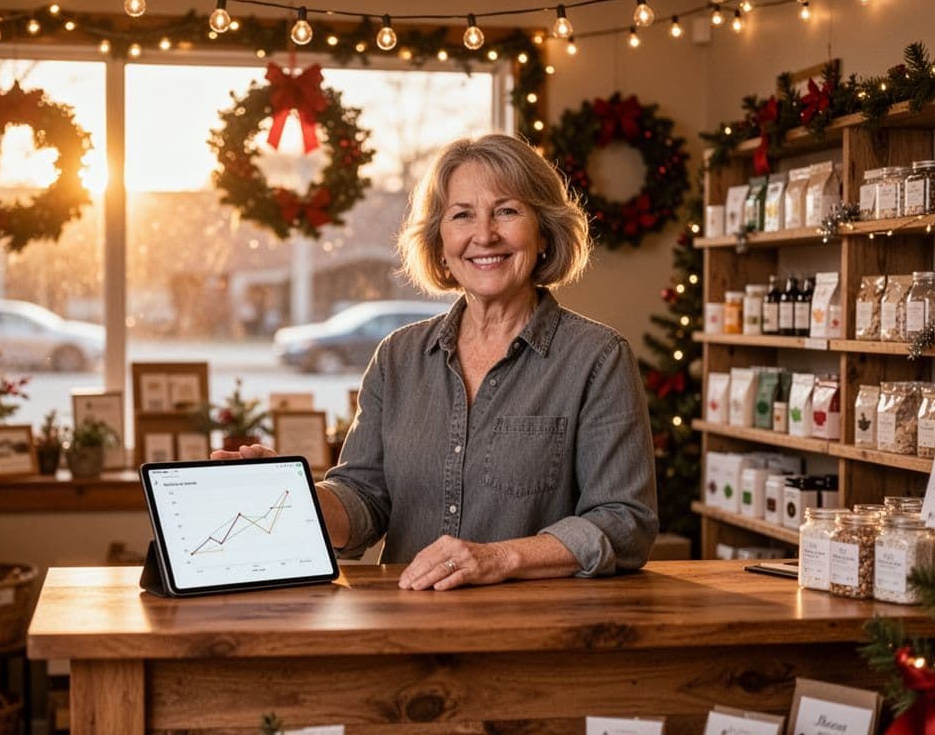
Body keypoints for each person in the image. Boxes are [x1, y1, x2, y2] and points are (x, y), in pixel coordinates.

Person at [214, 133, 657, 590]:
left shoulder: (598, 358)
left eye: (506, 211)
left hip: (534, 636)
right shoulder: (397, 357)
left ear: (544, 230)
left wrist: (500, 558)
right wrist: (296, 497)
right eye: (462, 215)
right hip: (407, 631)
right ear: (440, 241)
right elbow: (364, 499)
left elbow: (626, 522)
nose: (484, 235)